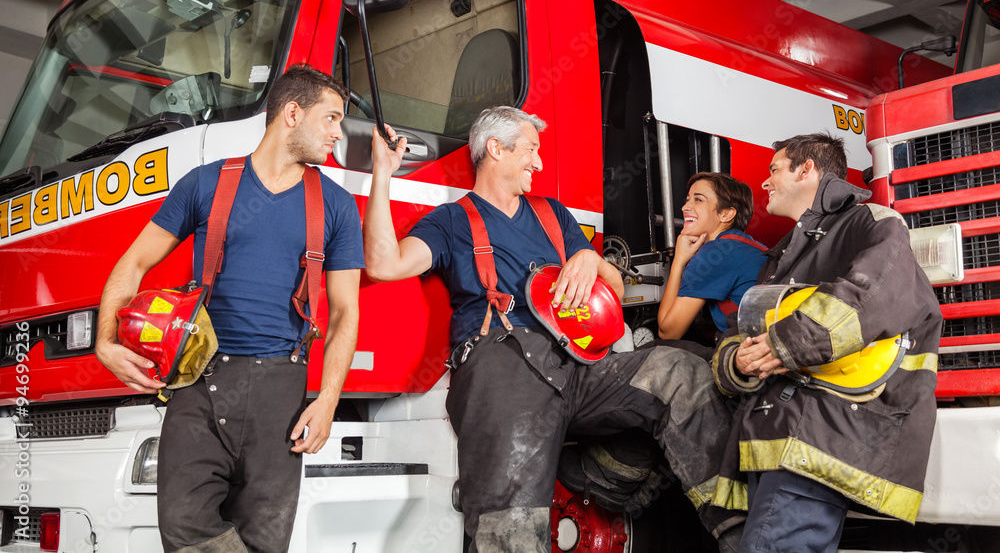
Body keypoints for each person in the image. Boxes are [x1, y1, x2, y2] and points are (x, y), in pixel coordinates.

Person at [364, 106, 744, 553]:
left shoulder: (553, 215)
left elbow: (616, 286)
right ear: (495, 149)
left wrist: (592, 260)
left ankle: (745, 534)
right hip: (504, 372)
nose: (538, 163)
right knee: (512, 531)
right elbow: (384, 264)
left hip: (578, 364)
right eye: (530, 150)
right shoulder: (451, 223)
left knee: (684, 370)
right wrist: (382, 174)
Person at [95, 64, 364, 553]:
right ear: (291, 112)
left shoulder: (338, 206)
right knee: (182, 524)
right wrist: (106, 340)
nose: (337, 133)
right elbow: (133, 261)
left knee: (266, 539)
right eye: (330, 118)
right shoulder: (205, 184)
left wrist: (327, 401)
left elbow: (346, 313)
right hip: (199, 381)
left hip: (281, 392)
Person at [711, 133, 942, 553]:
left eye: (774, 169)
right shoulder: (780, 257)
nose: (765, 183)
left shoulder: (870, 221)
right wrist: (736, 363)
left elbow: (871, 294)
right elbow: (738, 332)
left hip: (822, 433)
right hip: (781, 438)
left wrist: (783, 345)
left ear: (807, 170)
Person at [657, 173, 767, 349]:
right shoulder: (755, 246)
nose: (685, 207)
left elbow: (668, 332)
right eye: (687, 200)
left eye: (698, 200)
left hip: (747, 357)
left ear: (726, 214)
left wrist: (679, 260)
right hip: (765, 350)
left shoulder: (714, 253)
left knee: (653, 348)